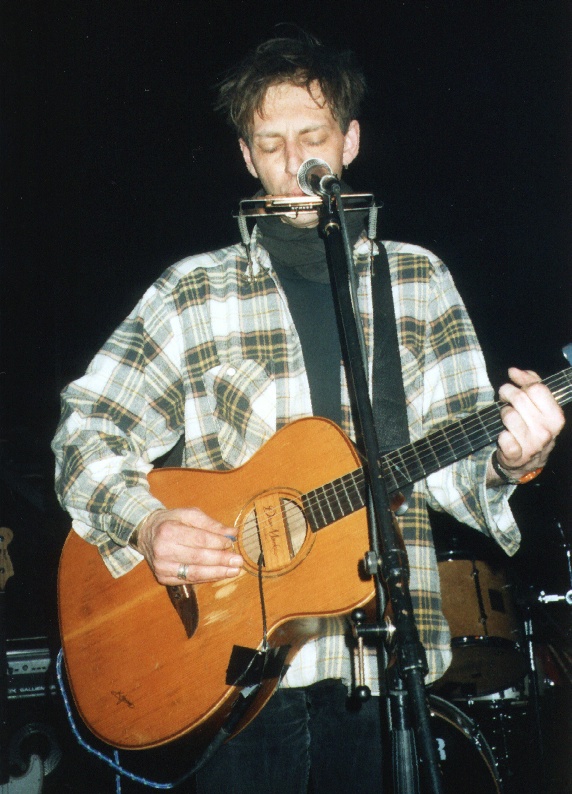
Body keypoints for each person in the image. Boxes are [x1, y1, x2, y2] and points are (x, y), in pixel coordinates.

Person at [52, 32, 565, 793]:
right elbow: (86, 426)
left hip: (389, 664)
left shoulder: (417, 280)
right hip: (236, 673)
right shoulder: (192, 292)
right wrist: (146, 523)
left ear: (350, 141)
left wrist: (511, 460)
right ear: (246, 156)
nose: (295, 163)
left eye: (313, 138)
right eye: (272, 143)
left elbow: (460, 459)